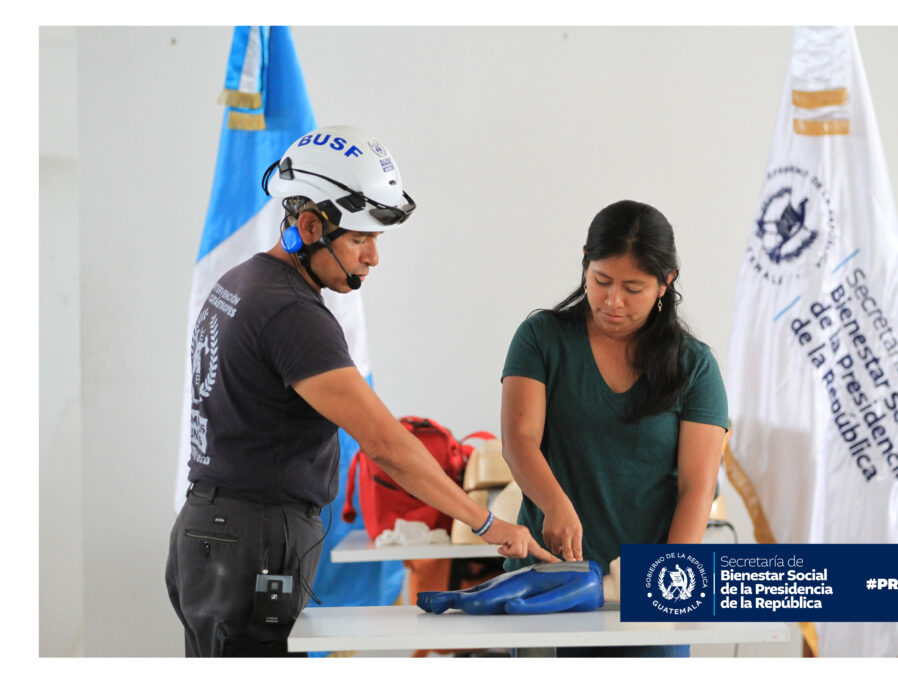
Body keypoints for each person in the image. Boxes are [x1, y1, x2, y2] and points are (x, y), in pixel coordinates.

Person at [166, 125, 557, 657]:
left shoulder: (239, 283)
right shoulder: (292, 314)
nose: (373, 257)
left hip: (213, 532)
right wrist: (486, 523)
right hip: (252, 538)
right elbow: (387, 445)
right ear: (308, 225)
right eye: (359, 238)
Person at [500, 199, 729, 657]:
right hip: (548, 584)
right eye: (601, 281)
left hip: (643, 597)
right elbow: (519, 441)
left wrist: (670, 582)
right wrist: (555, 505)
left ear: (666, 284)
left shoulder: (695, 366)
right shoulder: (541, 338)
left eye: (634, 288)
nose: (613, 300)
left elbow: (697, 489)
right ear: (585, 263)